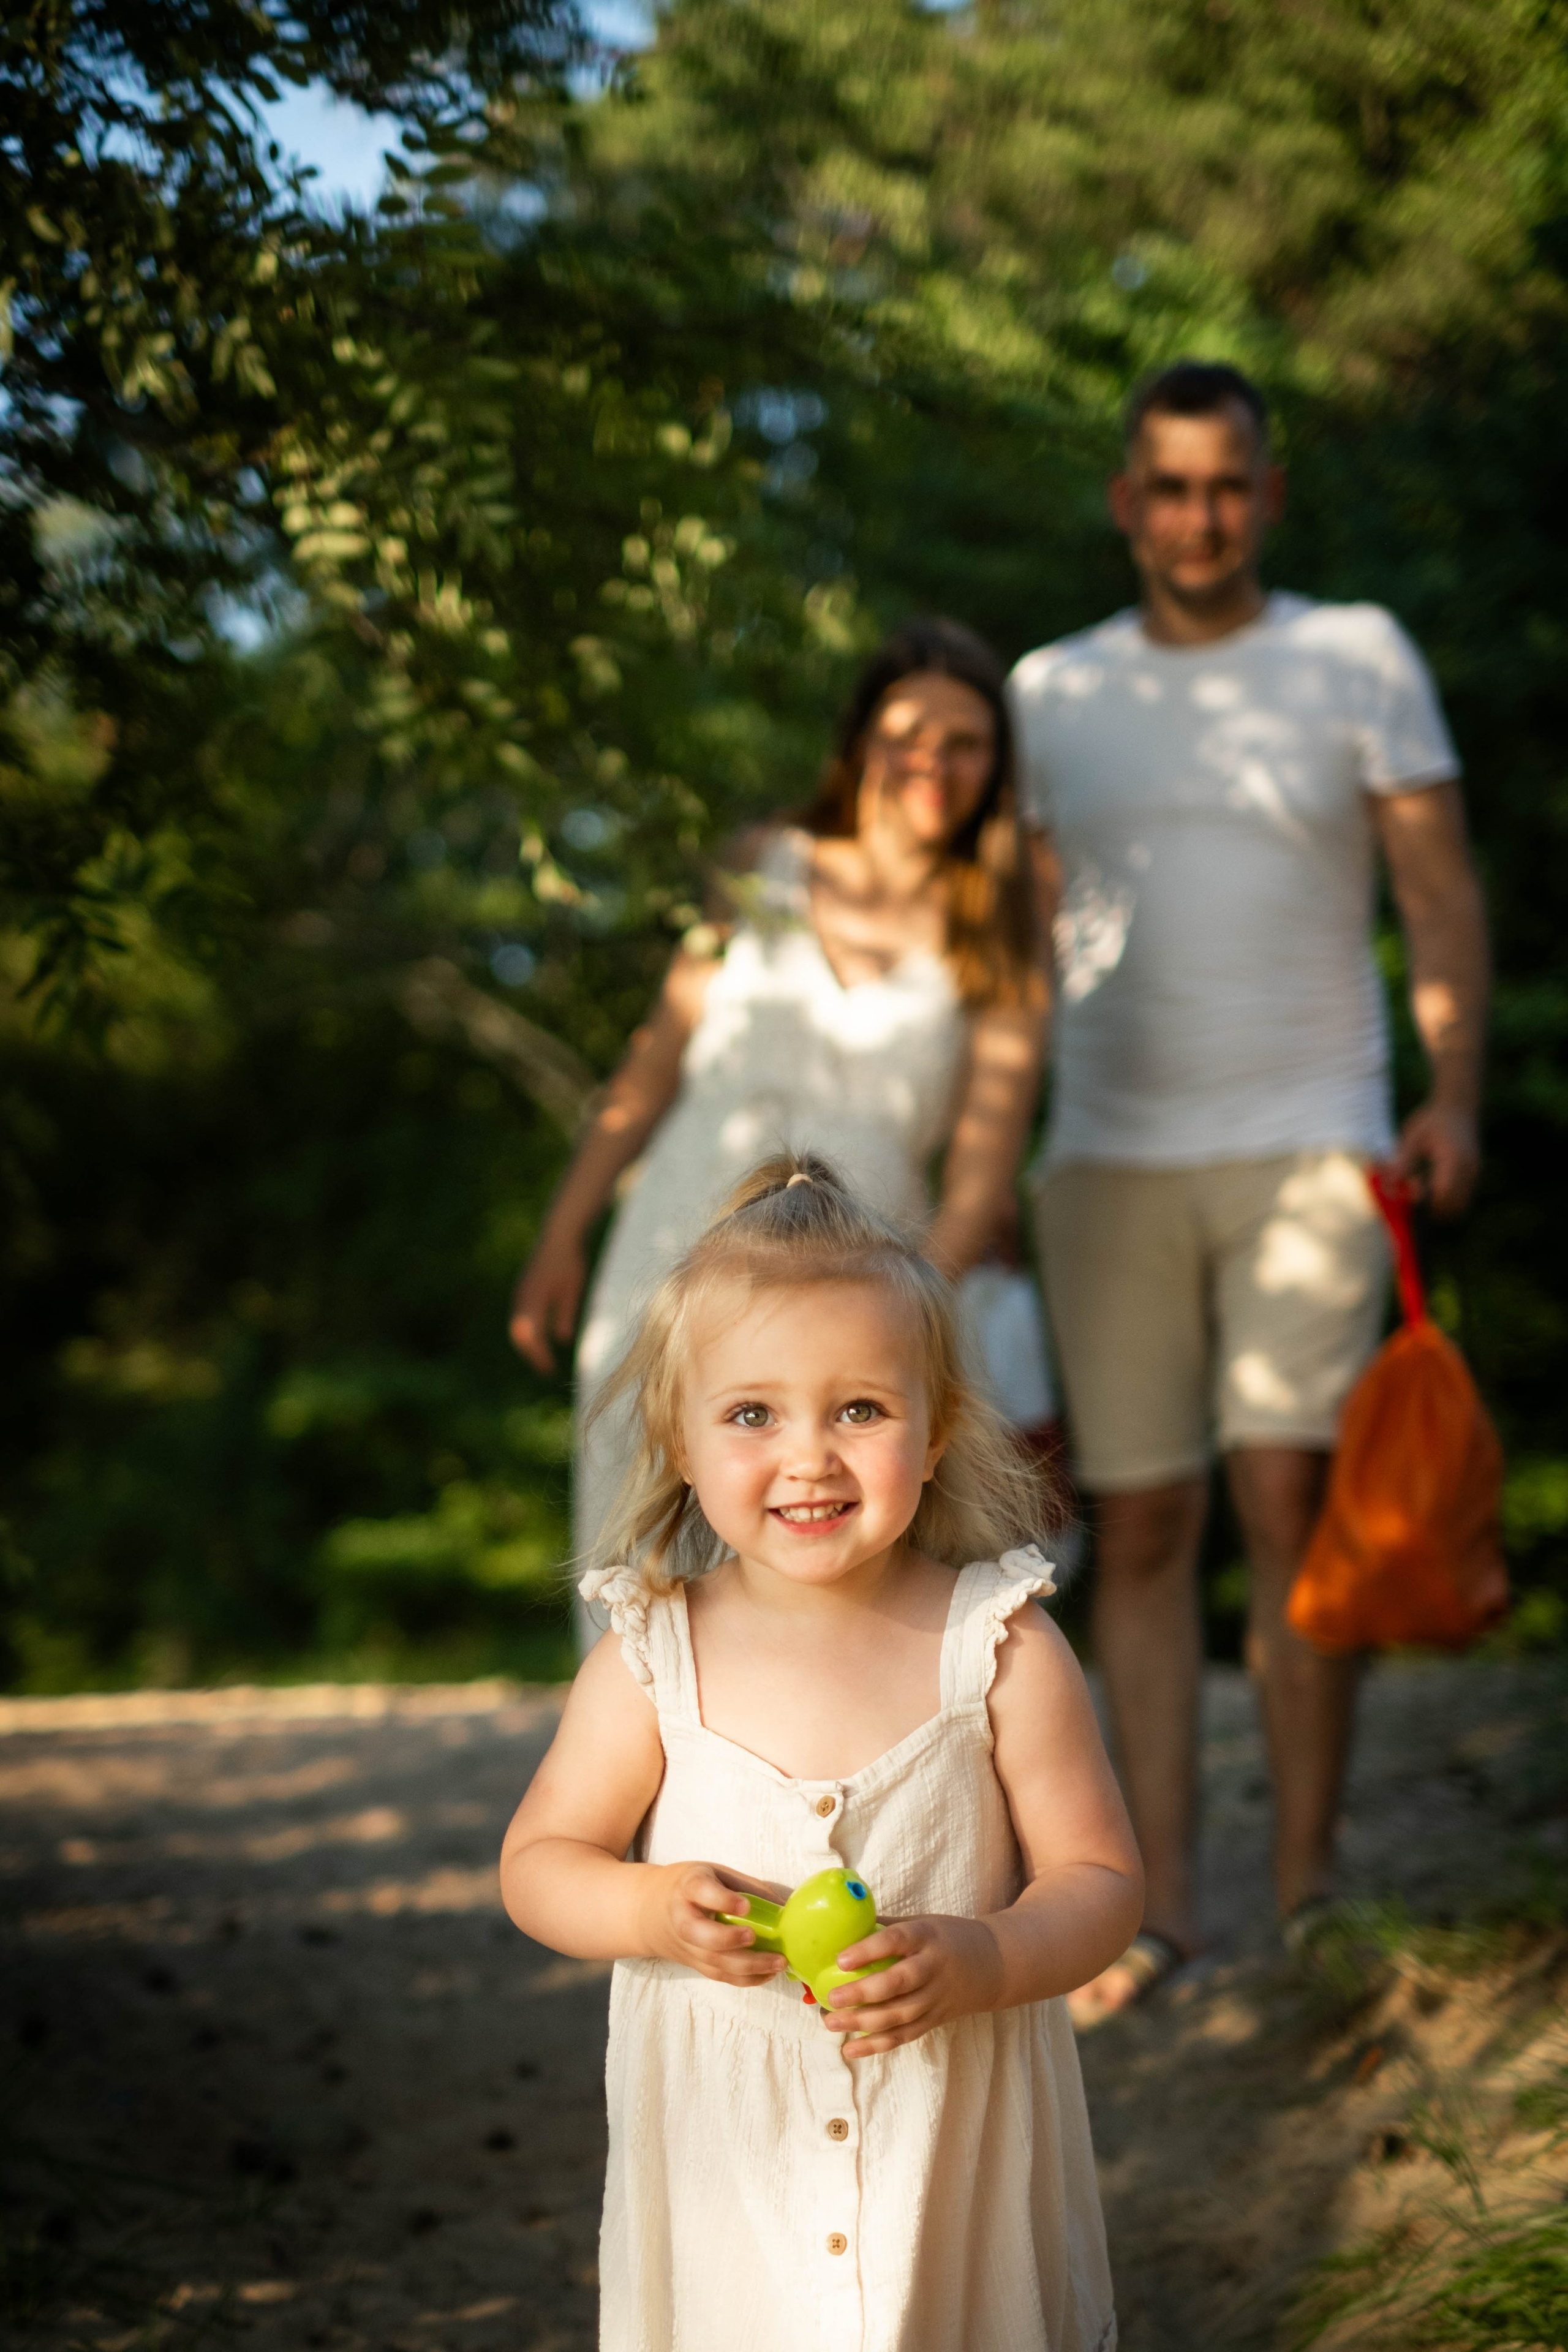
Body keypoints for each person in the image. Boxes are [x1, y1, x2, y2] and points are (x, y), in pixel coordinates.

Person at [1009, 360, 1490, 2022]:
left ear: (1266, 497)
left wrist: (1456, 1090)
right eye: (1170, 485)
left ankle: (1307, 1897)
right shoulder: (1048, 691)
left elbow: (1436, 892)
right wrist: (982, 1154)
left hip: (1313, 1134)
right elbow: (1018, 940)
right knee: (1137, 1524)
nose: (1200, 515)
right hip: (1104, 1151)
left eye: (1230, 485)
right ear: (1125, 502)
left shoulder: (1355, 654)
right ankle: (1155, 1913)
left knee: (1290, 1498)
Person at [500, 1155, 1140, 2352]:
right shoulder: (648, 1661)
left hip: (945, 2170)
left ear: (937, 1428)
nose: (808, 1457)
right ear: (679, 1440)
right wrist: (646, 1905)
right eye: (751, 1414)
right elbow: (538, 1861)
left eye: (859, 1409)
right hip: (726, 2185)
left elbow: (1100, 1884)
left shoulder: (996, 1648)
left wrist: (987, 1955)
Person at [510, 620, 1045, 1644]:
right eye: (908, 732)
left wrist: (888, 1317)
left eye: (968, 742)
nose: (935, 761)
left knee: (822, 1581)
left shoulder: (998, 930)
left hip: (873, 1262)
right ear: (859, 743)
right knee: (647, 1558)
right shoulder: (765, 863)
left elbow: (981, 1183)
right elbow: (654, 1061)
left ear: (998, 767)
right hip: (678, 1237)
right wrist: (562, 1230)